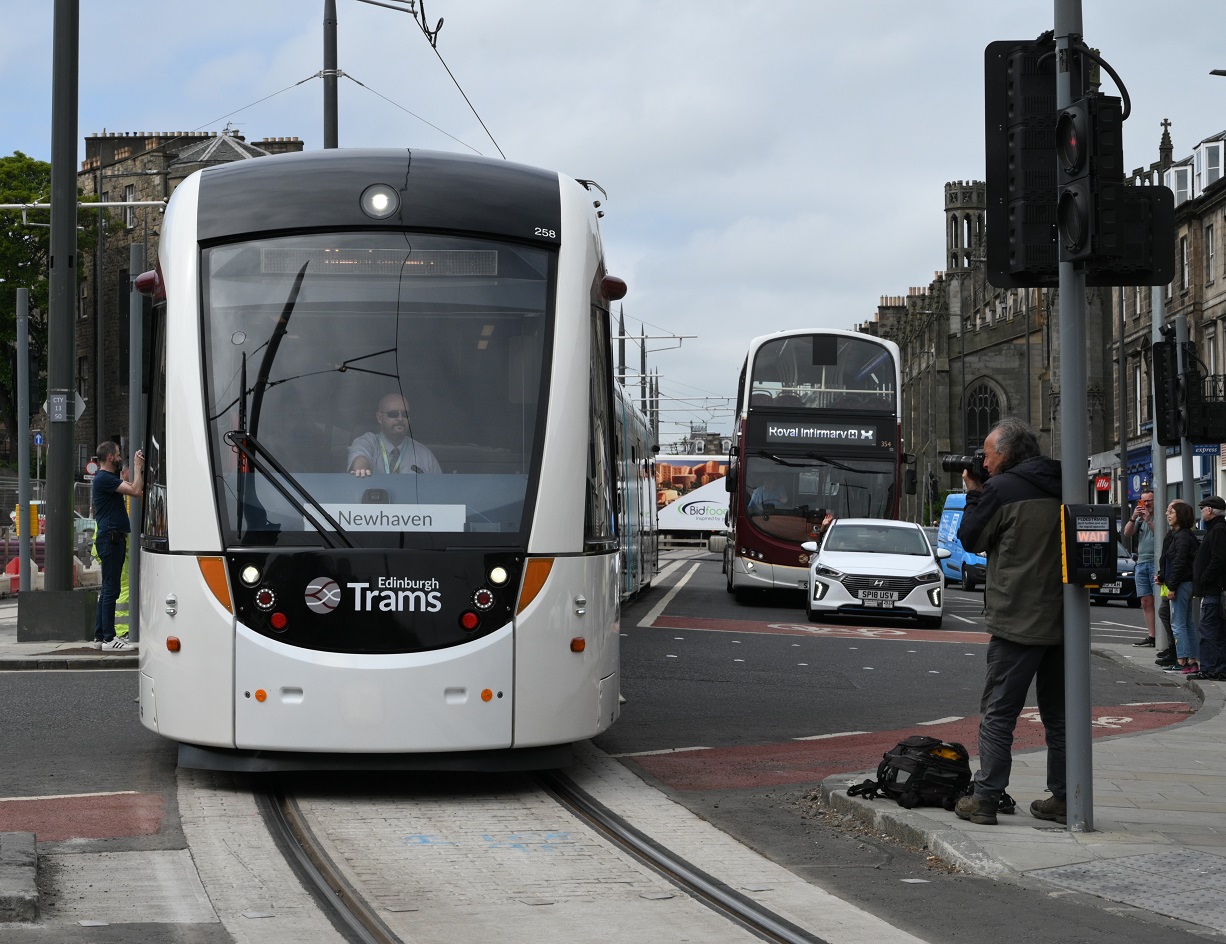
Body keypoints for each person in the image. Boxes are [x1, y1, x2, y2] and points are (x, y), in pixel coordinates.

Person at [951, 418, 1066, 827]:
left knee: (999, 712)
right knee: (1059, 714)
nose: (984, 460)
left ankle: (984, 798)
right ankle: (1066, 797)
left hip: (1018, 619)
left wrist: (973, 495)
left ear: (1007, 453)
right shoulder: (1065, 481)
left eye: (988, 453)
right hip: (1065, 620)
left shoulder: (1001, 489)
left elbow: (970, 539)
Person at [92, 442, 143, 650]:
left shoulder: (106, 479)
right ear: (111, 457)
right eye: (119, 454)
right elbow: (136, 490)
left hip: (110, 538)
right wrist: (138, 467)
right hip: (111, 539)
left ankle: (99, 637)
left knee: (107, 589)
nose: (120, 457)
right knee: (111, 589)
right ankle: (109, 638)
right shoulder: (104, 478)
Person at [347, 393, 441, 477]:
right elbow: (360, 456)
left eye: (405, 414)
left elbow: (438, 489)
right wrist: (362, 468)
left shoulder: (424, 454)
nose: (400, 418)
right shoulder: (369, 442)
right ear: (380, 418)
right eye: (393, 414)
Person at [1157, 500, 1199, 675]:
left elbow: (1179, 563)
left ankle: (1181, 660)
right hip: (1185, 583)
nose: (1168, 515)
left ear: (1180, 515)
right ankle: (1191, 661)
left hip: (1181, 584)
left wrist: (1171, 586)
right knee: (1187, 623)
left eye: (1172, 512)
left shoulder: (1181, 537)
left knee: (1178, 623)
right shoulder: (1184, 535)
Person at [1188, 496, 1226, 681]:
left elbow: (1218, 559)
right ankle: (1218, 668)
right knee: (1216, 632)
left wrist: (1204, 578)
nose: (1201, 513)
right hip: (1213, 589)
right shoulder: (1217, 529)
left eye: (1203, 509)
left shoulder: (1218, 530)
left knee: (1209, 631)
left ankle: (1210, 668)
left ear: (1210, 511)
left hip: (1213, 590)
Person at [1122, 488, 1158, 648]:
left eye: (1149, 500)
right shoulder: (1139, 519)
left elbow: (1162, 535)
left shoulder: (1161, 517)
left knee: (1159, 601)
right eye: (1143, 501)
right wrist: (1133, 517)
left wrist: (1149, 519)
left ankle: (1164, 636)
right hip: (1141, 563)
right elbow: (1126, 533)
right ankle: (1152, 636)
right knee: (1145, 601)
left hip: (1156, 563)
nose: (1146, 504)